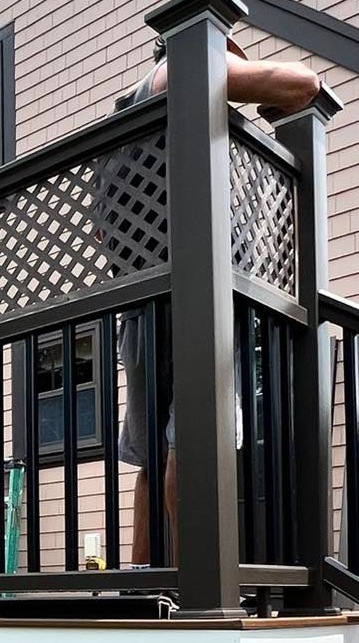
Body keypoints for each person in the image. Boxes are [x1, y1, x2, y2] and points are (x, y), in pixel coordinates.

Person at [116, 37, 321, 566]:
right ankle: (193, 588)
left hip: (145, 301)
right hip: (198, 297)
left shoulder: (144, 109)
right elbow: (304, 85)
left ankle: (142, 583)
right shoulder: (179, 71)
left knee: (151, 456)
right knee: (193, 444)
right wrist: (259, 88)